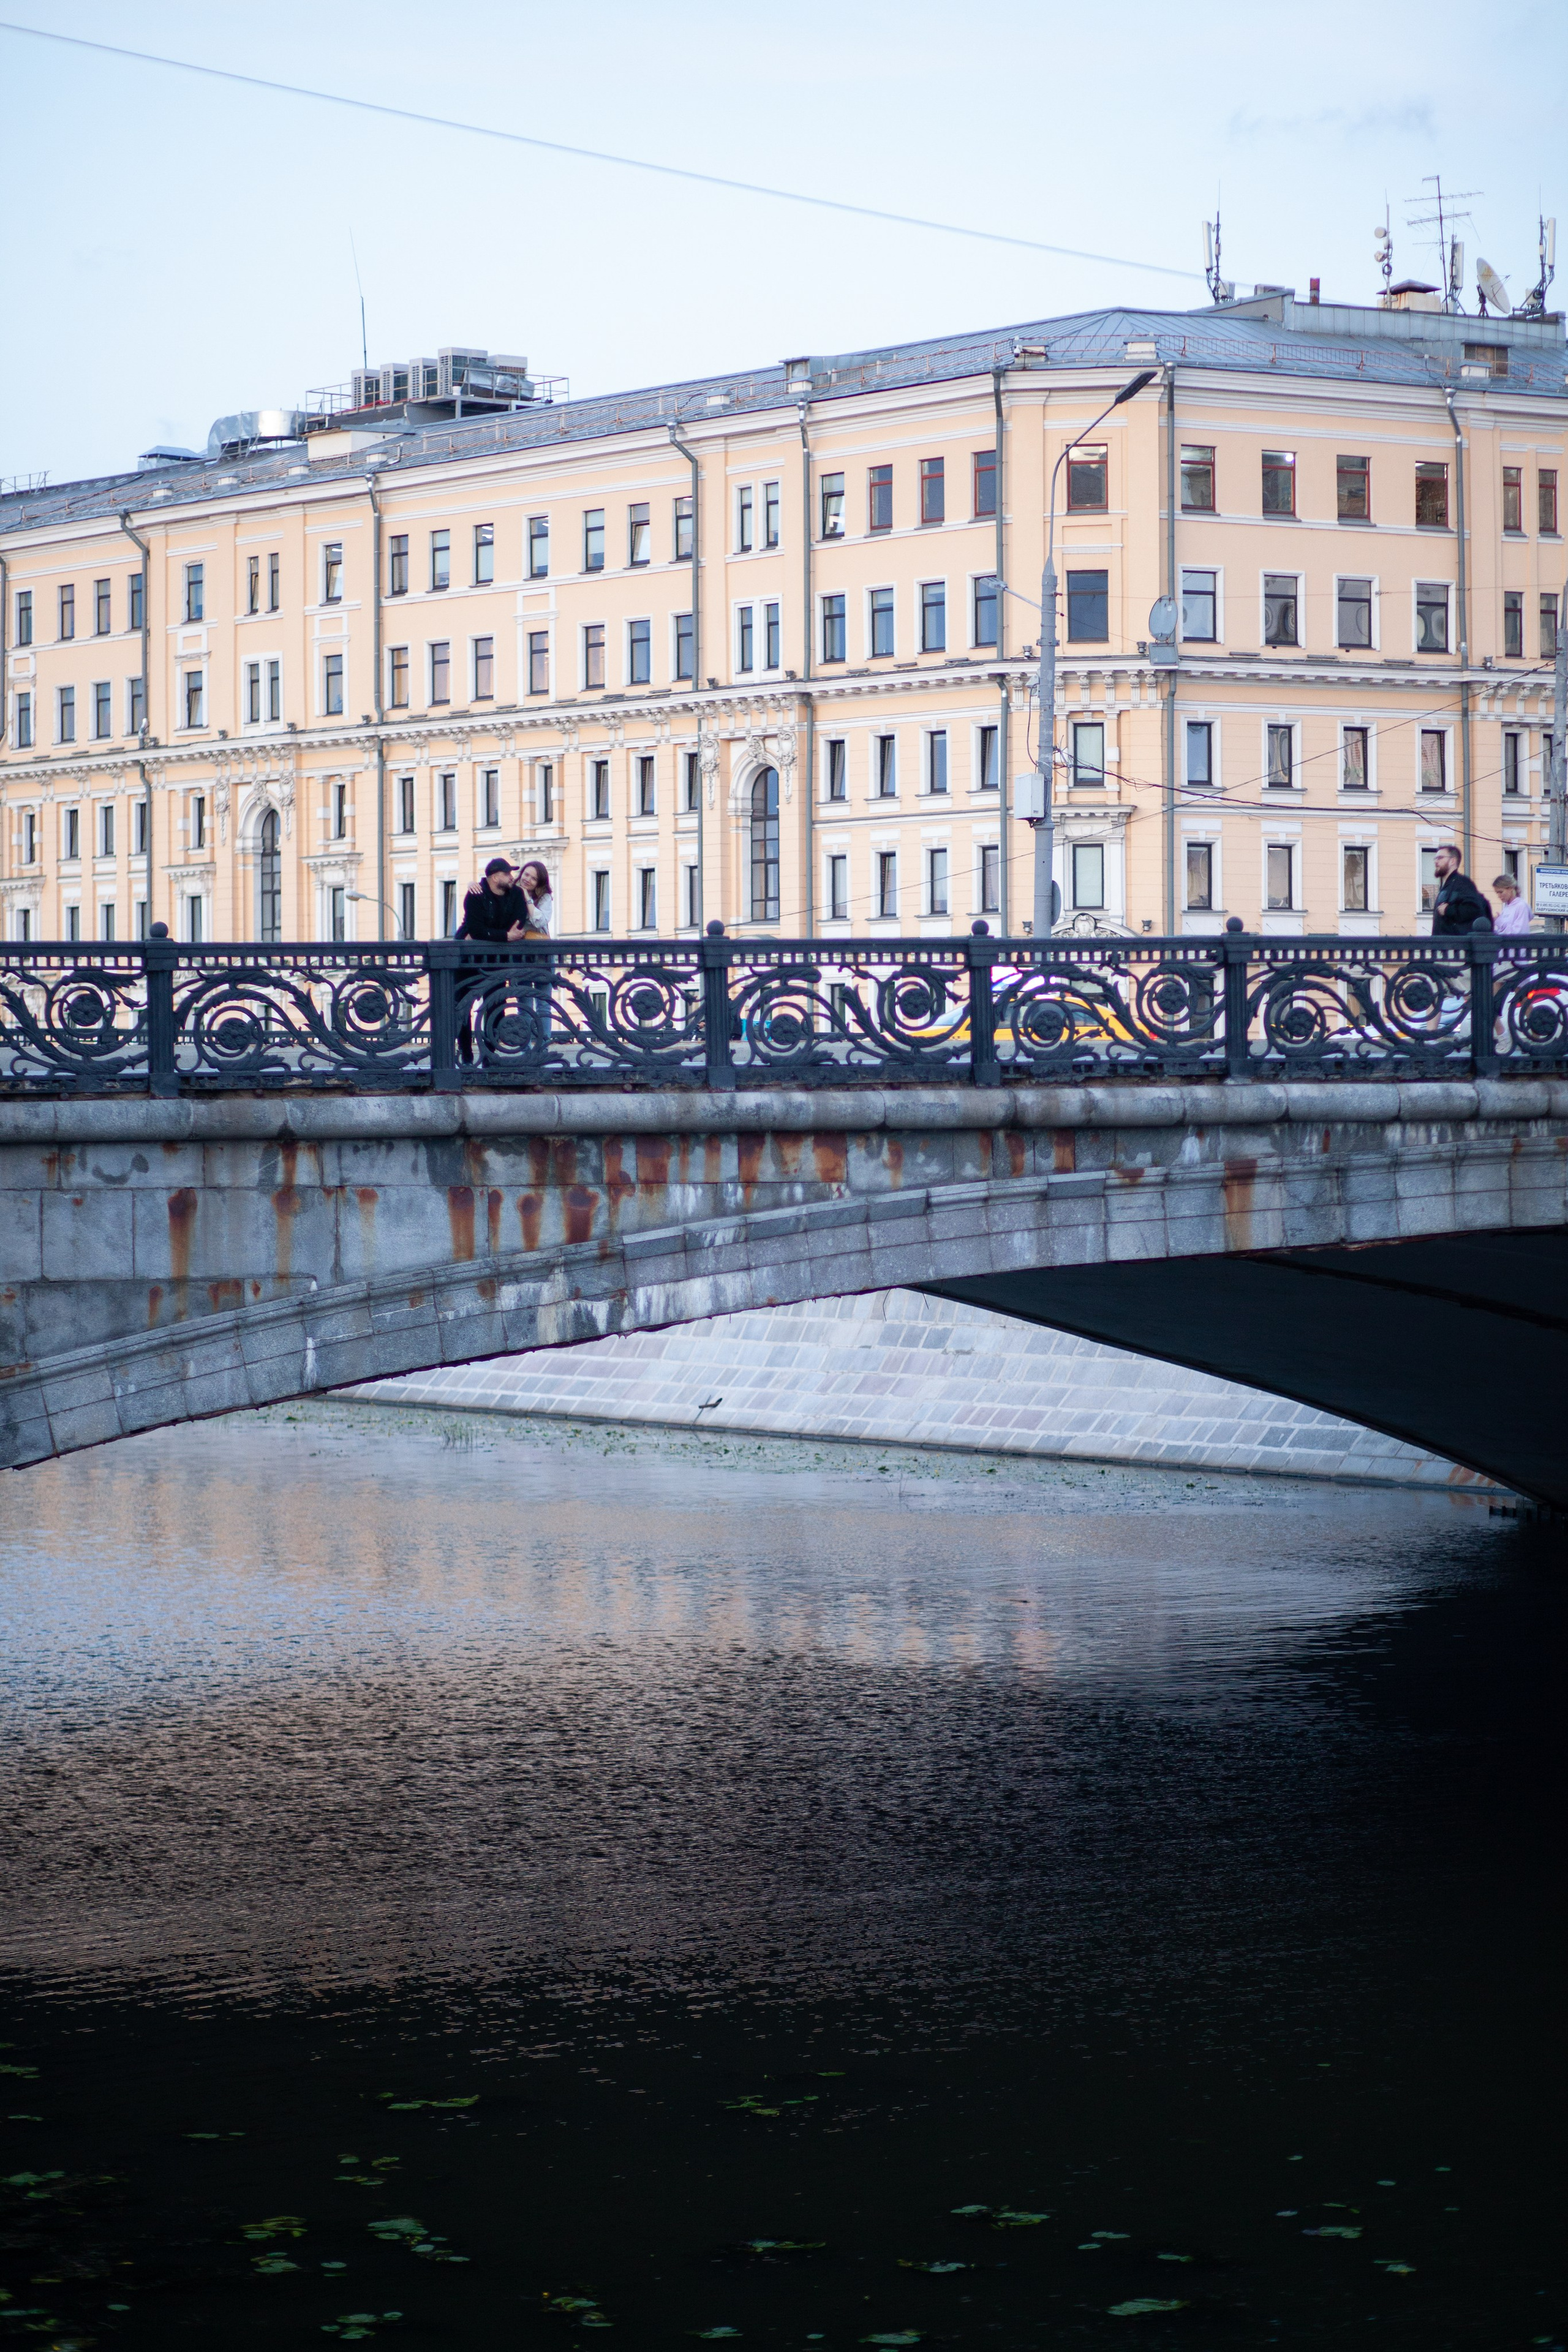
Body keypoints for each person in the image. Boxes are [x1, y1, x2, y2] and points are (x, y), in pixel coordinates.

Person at [454, 857, 529, 1065]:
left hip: (496, 960)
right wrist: (504, 936)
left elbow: (519, 923)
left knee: (496, 1006)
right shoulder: (476, 894)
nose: (512, 877)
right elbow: (475, 929)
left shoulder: (516, 894)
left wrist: (492, 935)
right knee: (462, 1008)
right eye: (507, 874)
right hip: (467, 960)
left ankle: (490, 1056)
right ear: (495, 877)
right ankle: (466, 1056)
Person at [1429, 844, 1490, 936]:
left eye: (1440, 858)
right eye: (1435, 858)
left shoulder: (1463, 883)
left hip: (1455, 943)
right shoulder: (1446, 885)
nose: (1436, 861)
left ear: (1453, 861)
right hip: (1443, 942)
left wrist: (1448, 910)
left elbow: (1474, 909)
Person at [1491, 872, 1532, 936]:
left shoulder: (1521, 906)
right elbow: (1504, 931)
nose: (1499, 896)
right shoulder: (1507, 907)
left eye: (1501, 892)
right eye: (1497, 893)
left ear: (1511, 888)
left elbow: (1519, 933)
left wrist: (1499, 921)